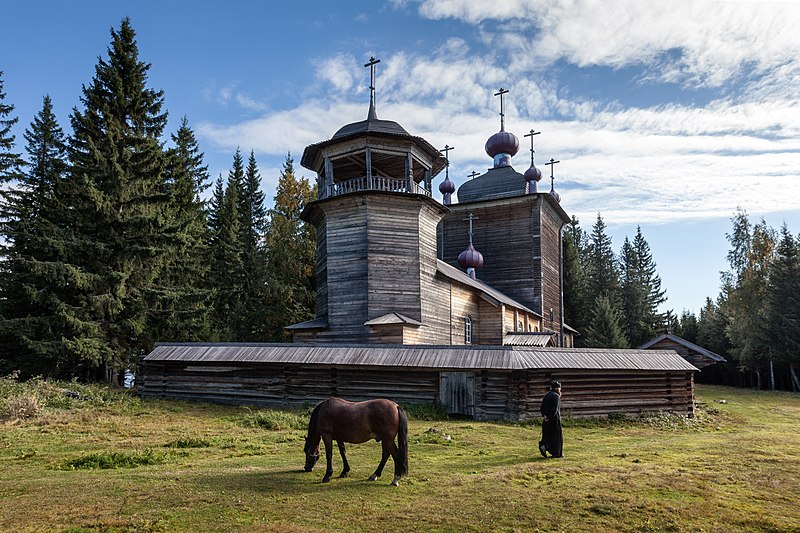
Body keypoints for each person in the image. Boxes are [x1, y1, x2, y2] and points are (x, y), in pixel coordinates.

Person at [539, 381, 563, 458]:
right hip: (554, 420)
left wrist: (545, 416)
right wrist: (549, 417)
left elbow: (542, 408)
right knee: (556, 437)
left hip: (546, 420)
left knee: (547, 435)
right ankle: (556, 454)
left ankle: (545, 446)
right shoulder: (556, 396)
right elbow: (554, 410)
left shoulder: (547, 395)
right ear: (557, 388)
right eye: (560, 388)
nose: (560, 390)